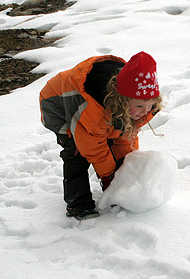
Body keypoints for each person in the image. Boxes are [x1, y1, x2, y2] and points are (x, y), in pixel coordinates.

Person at [39, 52, 162, 220]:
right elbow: (93, 148)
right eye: (140, 105)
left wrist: (121, 175)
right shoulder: (94, 111)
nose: (145, 112)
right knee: (76, 153)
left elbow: (125, 140)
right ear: (122, 100)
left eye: (150, 105)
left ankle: (114, 192)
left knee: (114, 140)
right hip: (58, 106)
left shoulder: (132, 110)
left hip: (102, 112)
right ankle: (78, 204)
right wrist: (109, 176)